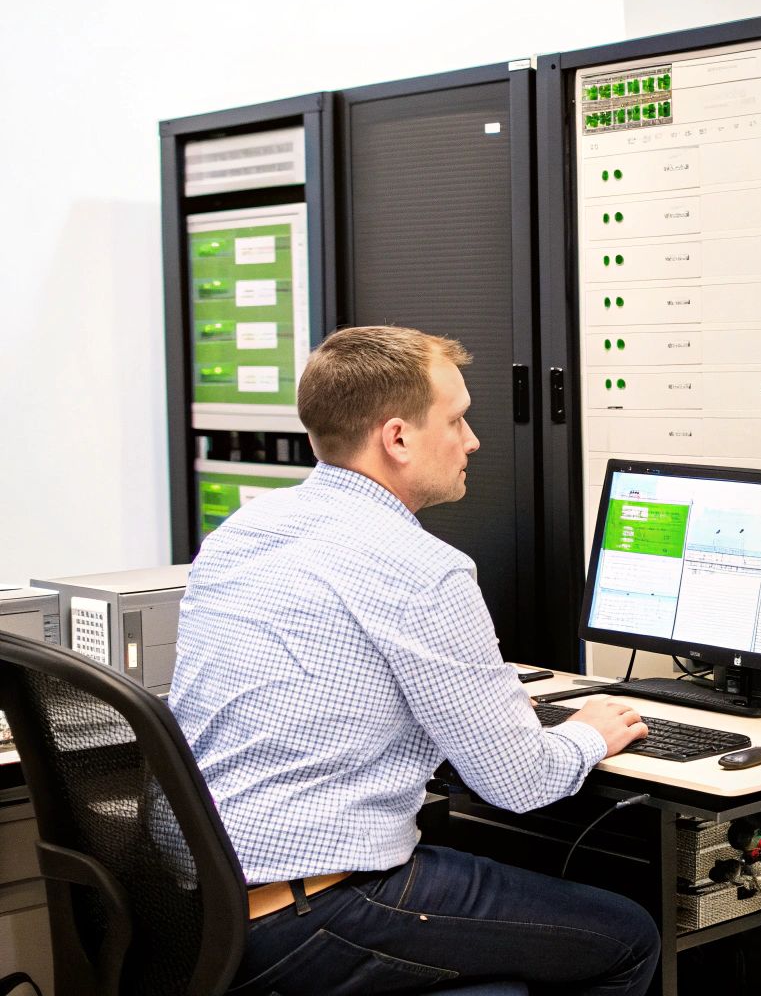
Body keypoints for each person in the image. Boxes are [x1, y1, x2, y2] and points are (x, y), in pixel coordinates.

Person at [171, 326, 658, 995]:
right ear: (397, 438)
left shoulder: (244, 530)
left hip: (195, 911)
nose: (473, 441)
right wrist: (587, 734)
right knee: (627, 936)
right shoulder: (424, 571)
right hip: (313, 911)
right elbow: (519, 784)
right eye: (456, 421)